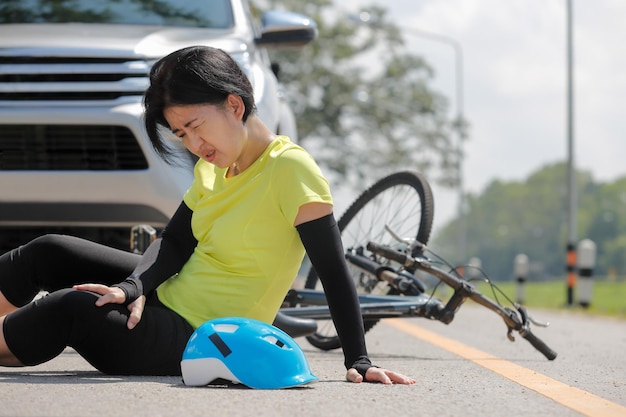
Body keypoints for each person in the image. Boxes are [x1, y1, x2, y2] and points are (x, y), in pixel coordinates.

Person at [0, 45, 415, 385]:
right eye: (181, 134)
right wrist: (134, 288)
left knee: (72, 307)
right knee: (49, 251)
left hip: (198, 335)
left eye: (196, 125)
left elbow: (332, 267)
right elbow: (176, 241)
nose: (194, 143)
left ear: (234, 104)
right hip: (169, 294)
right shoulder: (213, 168)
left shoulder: (290, 170)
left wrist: (358, 359)